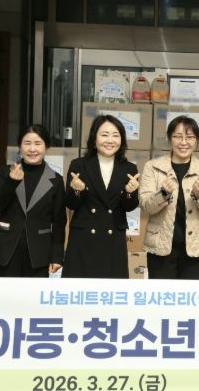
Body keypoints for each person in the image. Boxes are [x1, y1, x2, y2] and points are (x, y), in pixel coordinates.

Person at [139, 116, 199, 279]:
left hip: (196, 248)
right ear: (170, 138)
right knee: (161, 294)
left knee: (191, 295)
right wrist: (163, 193)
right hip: (160, 247)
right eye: (177, 136)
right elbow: (145, 206)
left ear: (196, 140)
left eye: (190, 137)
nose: (184, 142)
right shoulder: (152, 167)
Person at [63, 115, 139, 278]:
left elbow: (129, 206)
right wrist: (77, 191)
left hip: (113, 239)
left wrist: (130, 192)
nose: (110, 140)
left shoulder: (129, 168)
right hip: (83, 239)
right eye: (104, 135)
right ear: (94, 138)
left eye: (115, 135)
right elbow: (70, 204)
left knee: (111, 290)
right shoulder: (79, 165)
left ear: (122, 140)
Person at [0, 124, 66, 277]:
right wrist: (11, 182)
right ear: (20, 146)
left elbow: (59, 221)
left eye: (38, 143)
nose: (32, 149)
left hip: (39, 253)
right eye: (27, 143)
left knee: (34, 293)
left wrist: (57, 256)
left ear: (46, 147)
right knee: (5, 292)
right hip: (5, 250)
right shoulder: (6, 172)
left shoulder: (56, 180)